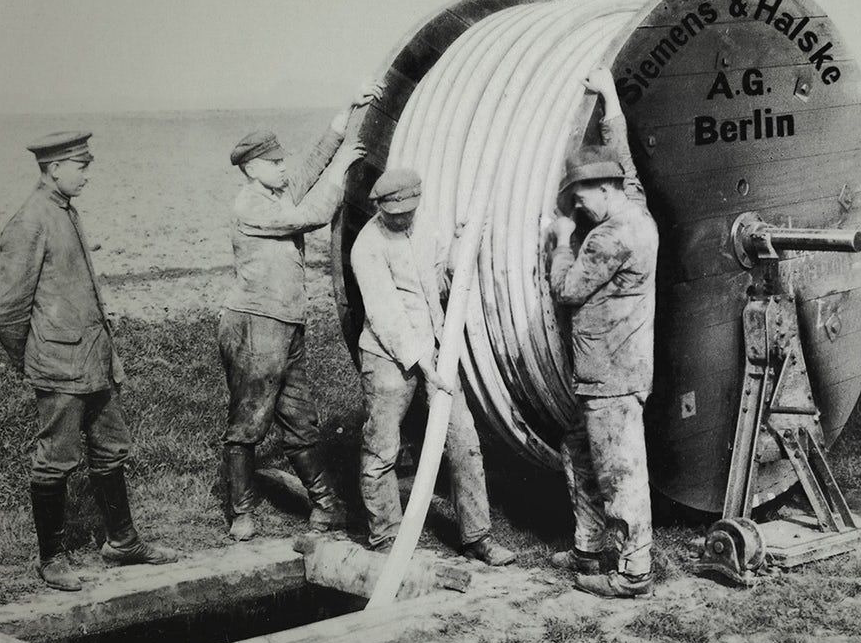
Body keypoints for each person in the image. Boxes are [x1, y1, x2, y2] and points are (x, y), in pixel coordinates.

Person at [0, 131, 178, 591]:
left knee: (112, 448)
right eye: (81, 166)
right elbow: (8, 309)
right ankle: (51, 558)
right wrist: (34, 358)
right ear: (55, 168)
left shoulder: (64, 210)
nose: (88, 175)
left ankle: (123, 542)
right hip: (59, 364)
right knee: (56, 459)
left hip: (94, 361)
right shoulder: (30, 220)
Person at [349, 167, 516, 566]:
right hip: (389, 355)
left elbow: (442, 281)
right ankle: (386, 538)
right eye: (394, 214)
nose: (403, 219)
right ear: (380, 208)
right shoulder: (366, 247)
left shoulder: (426, 228)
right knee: (382, 446)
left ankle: (477, 537)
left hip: (435, 350)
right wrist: (425, 365)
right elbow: (386, 315)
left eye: (408, 211)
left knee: (464, 439)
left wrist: (461, 245)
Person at [219, 101, 368, 542]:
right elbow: (315, 214)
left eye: (282, 160)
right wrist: (346, 168)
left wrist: (344, 120)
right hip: (254, 324)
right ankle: (242, 514)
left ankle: (325, 507)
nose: (284, 168)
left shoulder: (276, 191)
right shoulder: (251, 206)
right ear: (250, 169)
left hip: (286, 324)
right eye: (274, 163)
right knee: (248, 422)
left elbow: (308, 169)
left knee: (300, 420)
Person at [545, 68, 659, 598]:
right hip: (607, 371)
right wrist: (609, 98)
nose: (577, 205)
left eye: (583, 194)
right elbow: (628, 160)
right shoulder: (635, 208)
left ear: (606, 189)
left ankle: (634, 570)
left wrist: (563, 239)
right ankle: (589, 548)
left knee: (620, 471)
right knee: (581, 452)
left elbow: (566, 290)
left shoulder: (607, 238)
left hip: (610, 375)